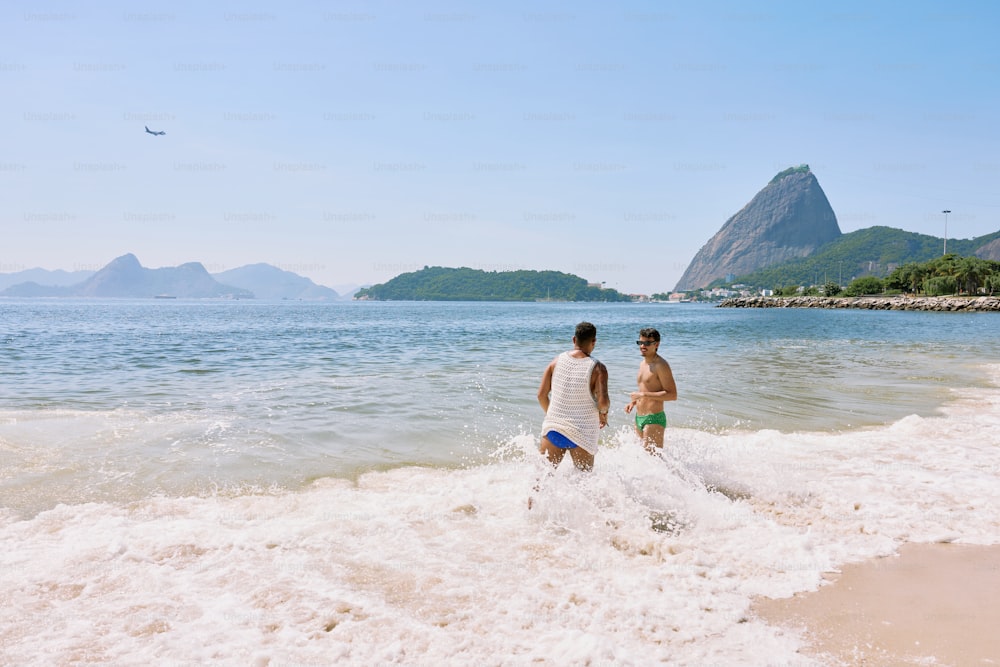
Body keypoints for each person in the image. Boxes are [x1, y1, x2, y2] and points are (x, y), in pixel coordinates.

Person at [535, 321, 611, 472]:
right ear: (594, 341)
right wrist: (603, 415)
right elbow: (603, 403)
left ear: (574, 340)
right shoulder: (598, 368)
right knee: (584, 483)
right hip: (583, 433)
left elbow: (541, 395)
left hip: (554, 429)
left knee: (539, 483)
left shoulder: (556, 361)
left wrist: (554, 415)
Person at [624, 327, 677, 453]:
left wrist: (643, 394)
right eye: (640, 342)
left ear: (656, 344)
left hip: (654, 418)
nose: (643, 346)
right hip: (639, 417)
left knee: (653, 461)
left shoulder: (661, 365)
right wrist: (634, 402)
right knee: (644, 461)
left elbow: (672, 395)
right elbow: (646, 389)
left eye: (647, 343)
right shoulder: (642, 364)